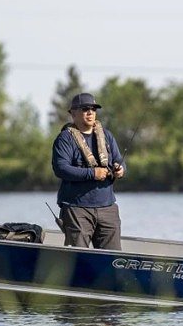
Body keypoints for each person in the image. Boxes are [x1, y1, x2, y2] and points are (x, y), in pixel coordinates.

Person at [53, 92, 127, 249]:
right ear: (73, 113)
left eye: (93, 109)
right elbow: (61, 169)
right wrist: (93, 173)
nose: (90, 113)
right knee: (78, 258)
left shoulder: (107, 136)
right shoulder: (65, 139)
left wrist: (120, 169)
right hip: (76, 209)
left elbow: (119, 161)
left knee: (112, 259)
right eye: (85, 109)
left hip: (107, 207)